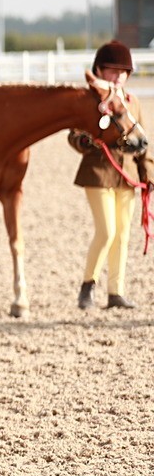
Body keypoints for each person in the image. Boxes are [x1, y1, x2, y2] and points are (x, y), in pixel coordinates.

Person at [68, 40, 153, 309]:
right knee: (106, 230)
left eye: (122, 72)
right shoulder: (92, 101)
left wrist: (148, 175)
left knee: (123, 233)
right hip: (98, 173)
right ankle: (87, 285)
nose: (117, 77)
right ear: (99, 71)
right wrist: (84, 141)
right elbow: (74, 134)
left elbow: (143, 142)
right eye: (111, 71)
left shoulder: (132, 102)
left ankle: (116, 291)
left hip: (126, 175)